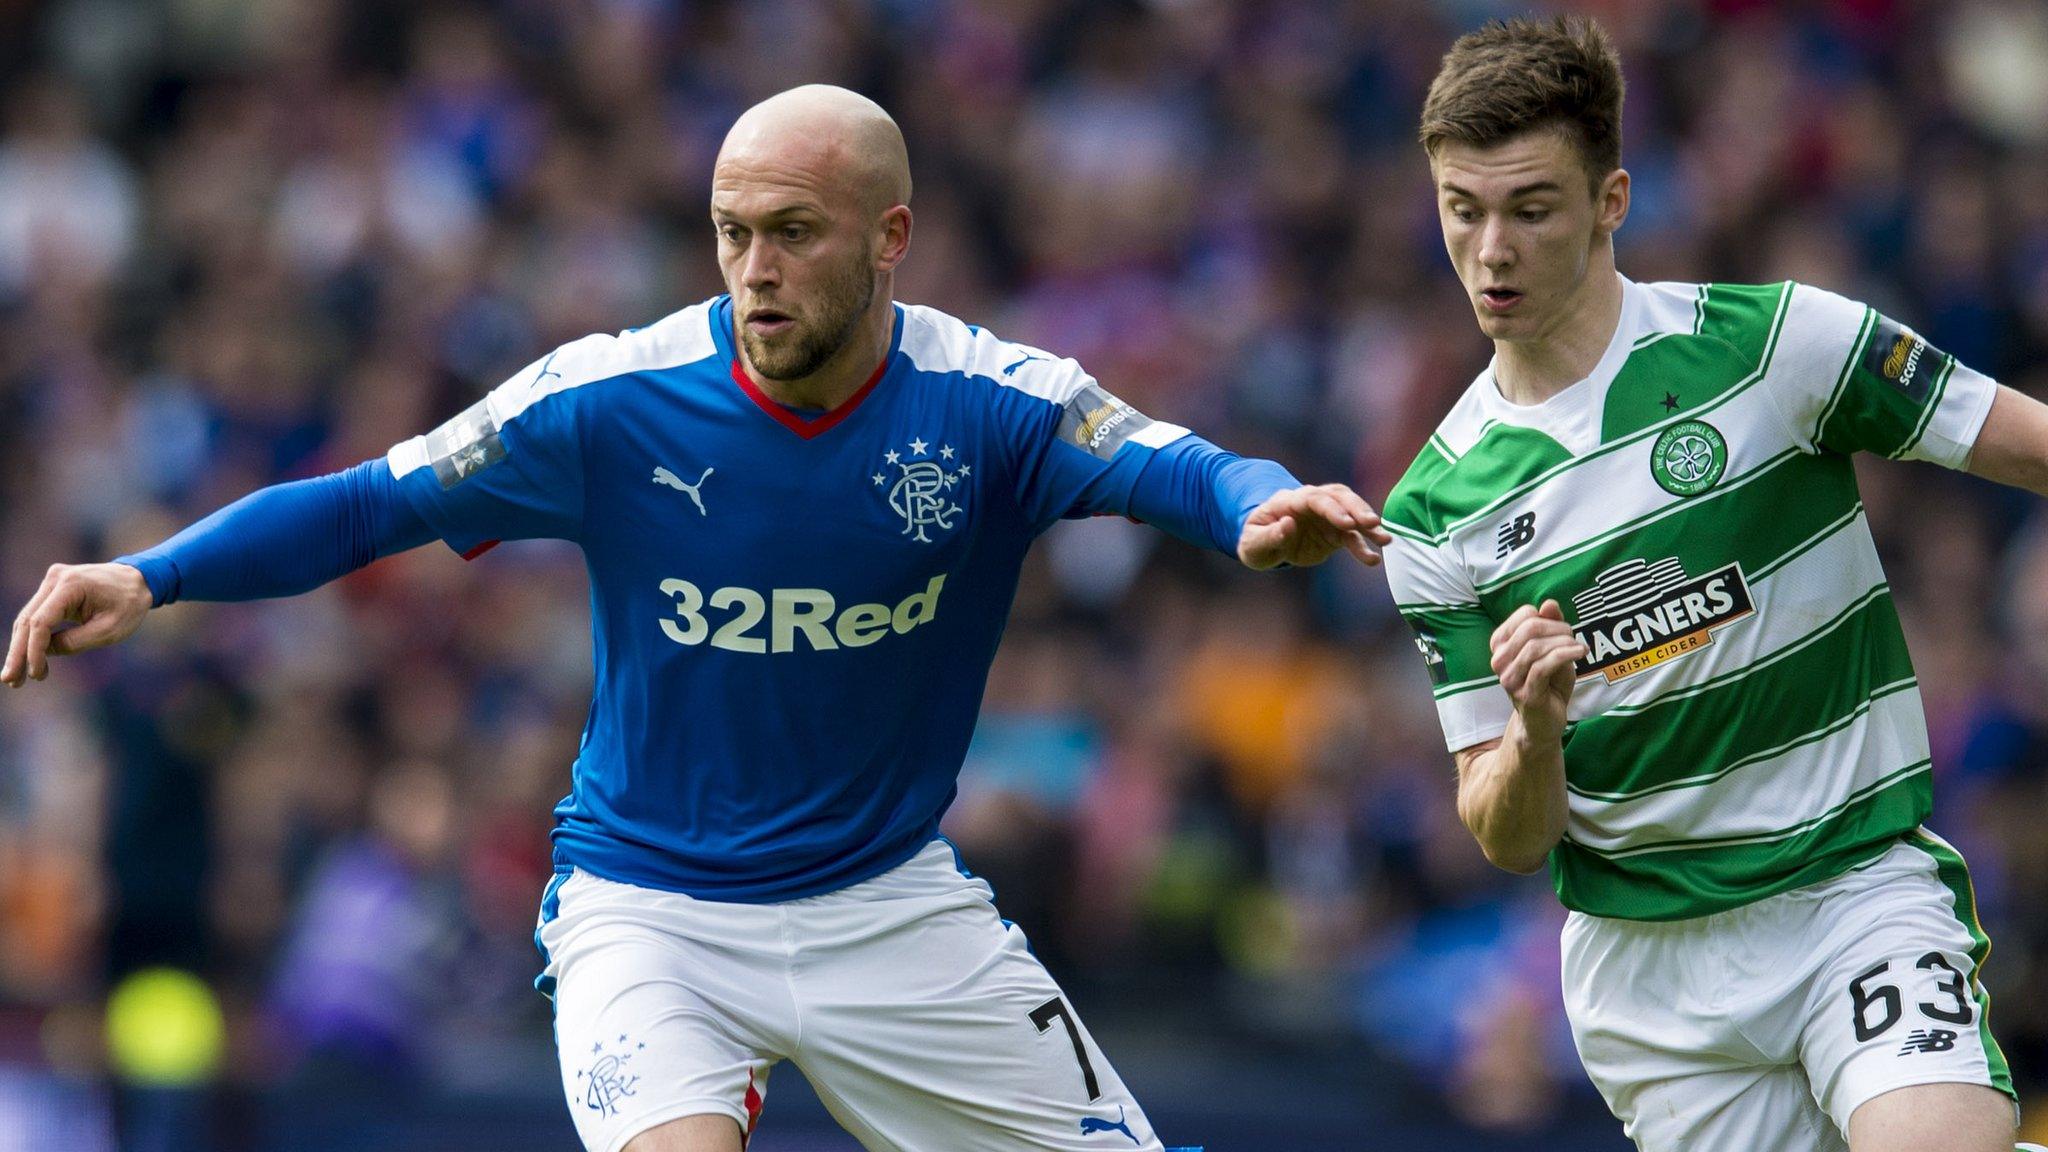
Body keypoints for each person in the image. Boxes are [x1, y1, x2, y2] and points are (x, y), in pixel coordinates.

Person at [1, 86, 1389, 1152]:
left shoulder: (991, 401)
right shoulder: (608, 400)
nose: (755, 268)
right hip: (650, 910)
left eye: (793, 232)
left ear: (890, 238)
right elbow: (369, 504)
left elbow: (1176, 464)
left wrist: (1261, 507)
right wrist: (152, 575)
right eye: (732, 233)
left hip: (888, 906)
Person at [1381, 17, 2047, 1152]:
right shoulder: (1431, 512)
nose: (1490, 249)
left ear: (1610, 201)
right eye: (1462, 208)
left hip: (1849, 896)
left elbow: (2027, 444)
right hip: (1652, 988)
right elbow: (1505, 834)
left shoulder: (1777, 347)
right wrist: (1535, 733)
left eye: (1530, 208)